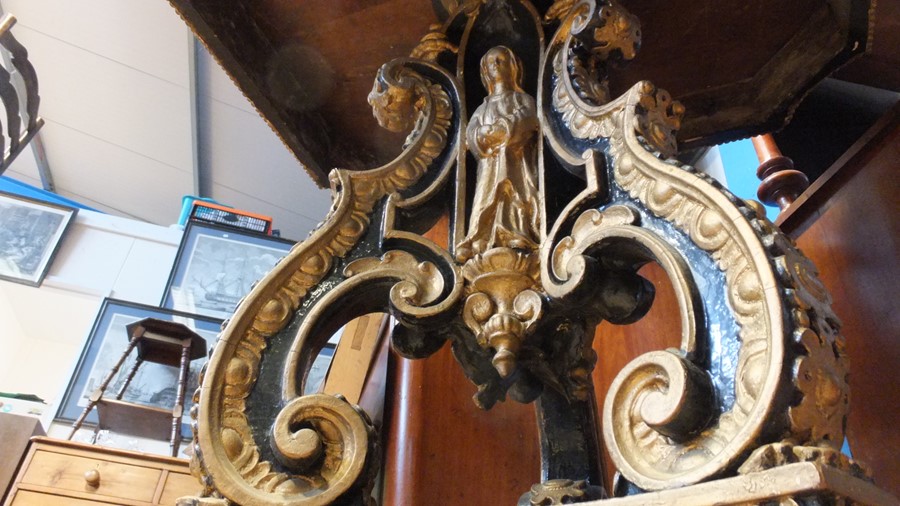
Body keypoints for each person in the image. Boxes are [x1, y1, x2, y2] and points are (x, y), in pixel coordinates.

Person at [457, 46, 541, 261]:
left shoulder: (522, 100)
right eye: (491, 62)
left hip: (516, 161)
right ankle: (481, 237)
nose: (496, 66)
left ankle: (517, 232)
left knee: (514, 194)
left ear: (513, 67)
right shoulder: (481, 108)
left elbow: (529, 118)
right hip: (489, 164)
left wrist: (505, 128)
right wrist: (482, 134)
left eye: (501, 60)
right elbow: (470, 134)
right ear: (485, 70)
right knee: (487, 197)